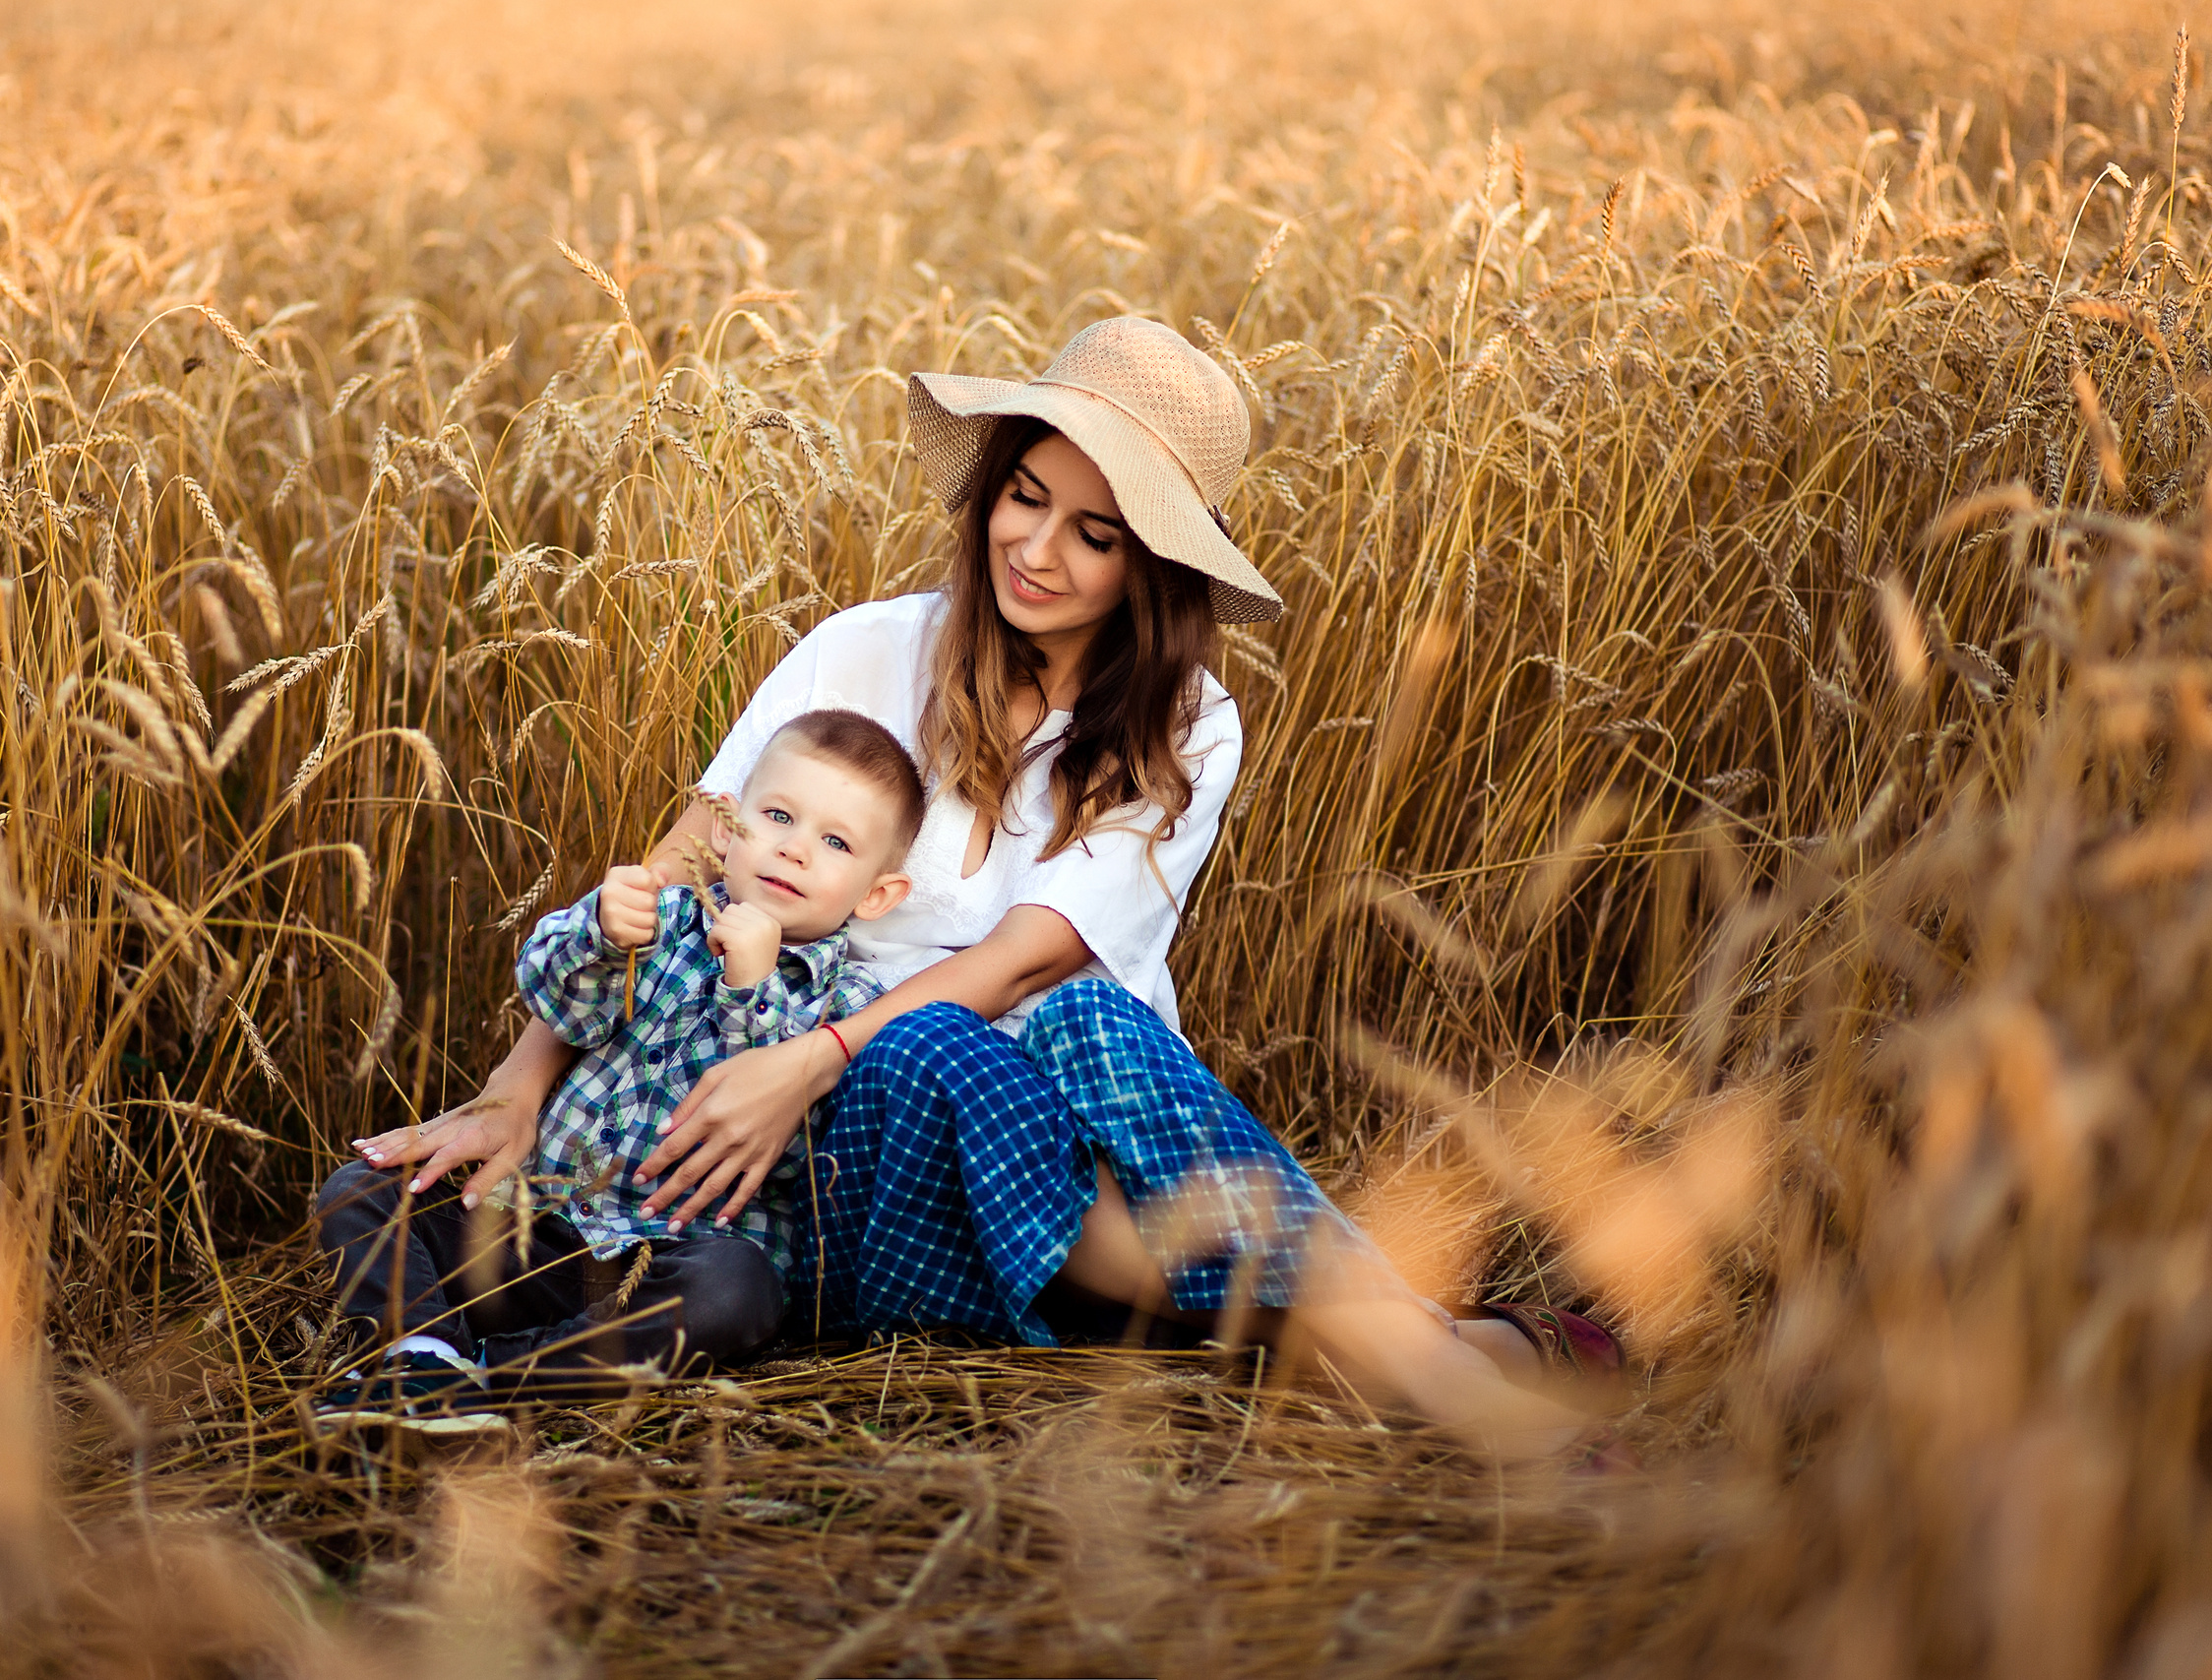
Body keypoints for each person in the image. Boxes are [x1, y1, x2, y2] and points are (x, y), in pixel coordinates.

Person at [349, 316, 1621, 1459]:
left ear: (1151, 566)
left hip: (1090, 1146)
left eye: (1095, 534)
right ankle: (1449, 1360)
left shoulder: (1189, 723)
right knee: (937, 1046)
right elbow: (680, 867)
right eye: (1025, 497)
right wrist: (521, 1082)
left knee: (1079, 1015)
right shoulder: (861, 651)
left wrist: (811, 1052)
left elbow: (1028, 959)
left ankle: (1425, 1360)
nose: (1037, 549)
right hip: (856, 1155)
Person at [309, 710, 922, 1432]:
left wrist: (751, 992)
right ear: (726, 829)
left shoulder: (849, 1006)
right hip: (538, 1230)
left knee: (739, 1292)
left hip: (670, 1263)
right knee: (360, 1191)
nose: (794, 849)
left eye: (835, 842)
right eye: (779, 816)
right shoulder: (662, 922)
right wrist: (597, 929)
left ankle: (487, 1377)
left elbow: (796, 1150)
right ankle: (419, 1352)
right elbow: (555, 999)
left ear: (877, 895)